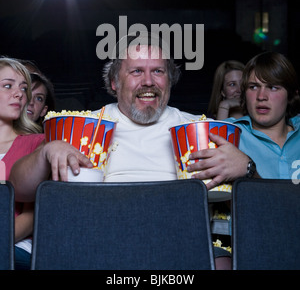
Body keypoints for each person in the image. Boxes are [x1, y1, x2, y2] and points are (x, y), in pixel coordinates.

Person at [10, 34, 232, 269]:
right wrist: (47, 150)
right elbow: (19, 189)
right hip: (99, 248)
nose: (148, 81)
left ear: (170, 79)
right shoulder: (80, 128)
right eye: (136, 71)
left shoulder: (200, 130)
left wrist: (246, 168)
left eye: (158, 71)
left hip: (181, 247)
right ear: (115, 82)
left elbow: (245, 205)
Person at [187, 51, 300, 187]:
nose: (261, 96)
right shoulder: (229, 133)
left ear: (291, 94)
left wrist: (248, 168)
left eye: (273, 87)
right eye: (253, 87)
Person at [0, 58, 45, 269]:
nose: (19, 94)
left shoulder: (37, 143)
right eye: (8, 86)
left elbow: (32, 214)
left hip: (14, 247)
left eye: (23, 88)